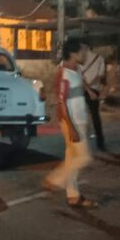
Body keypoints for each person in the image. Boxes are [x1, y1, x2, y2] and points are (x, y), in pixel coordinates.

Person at [44, 38, 98, 209]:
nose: (85, 55)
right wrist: (71, 128)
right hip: (71, 122)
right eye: (83, 52)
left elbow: (81, 82)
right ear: (74, 54)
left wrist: (89, 91)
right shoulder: (64, 75)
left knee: (72, 159)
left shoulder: (76, 70)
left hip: (79, 120)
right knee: (83, 157)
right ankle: (54, 179)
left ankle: (73, 196)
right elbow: (61, 103)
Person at [80, 44, 107, 151]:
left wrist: (86, 87)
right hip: (94, 89)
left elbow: (79, 77)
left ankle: (81, 143)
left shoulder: (79, 59)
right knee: (95, 116)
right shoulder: (99, 58)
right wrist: (91, 88)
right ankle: (100, 143)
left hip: (80, 89)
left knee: (80, 116)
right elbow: (100, 76)